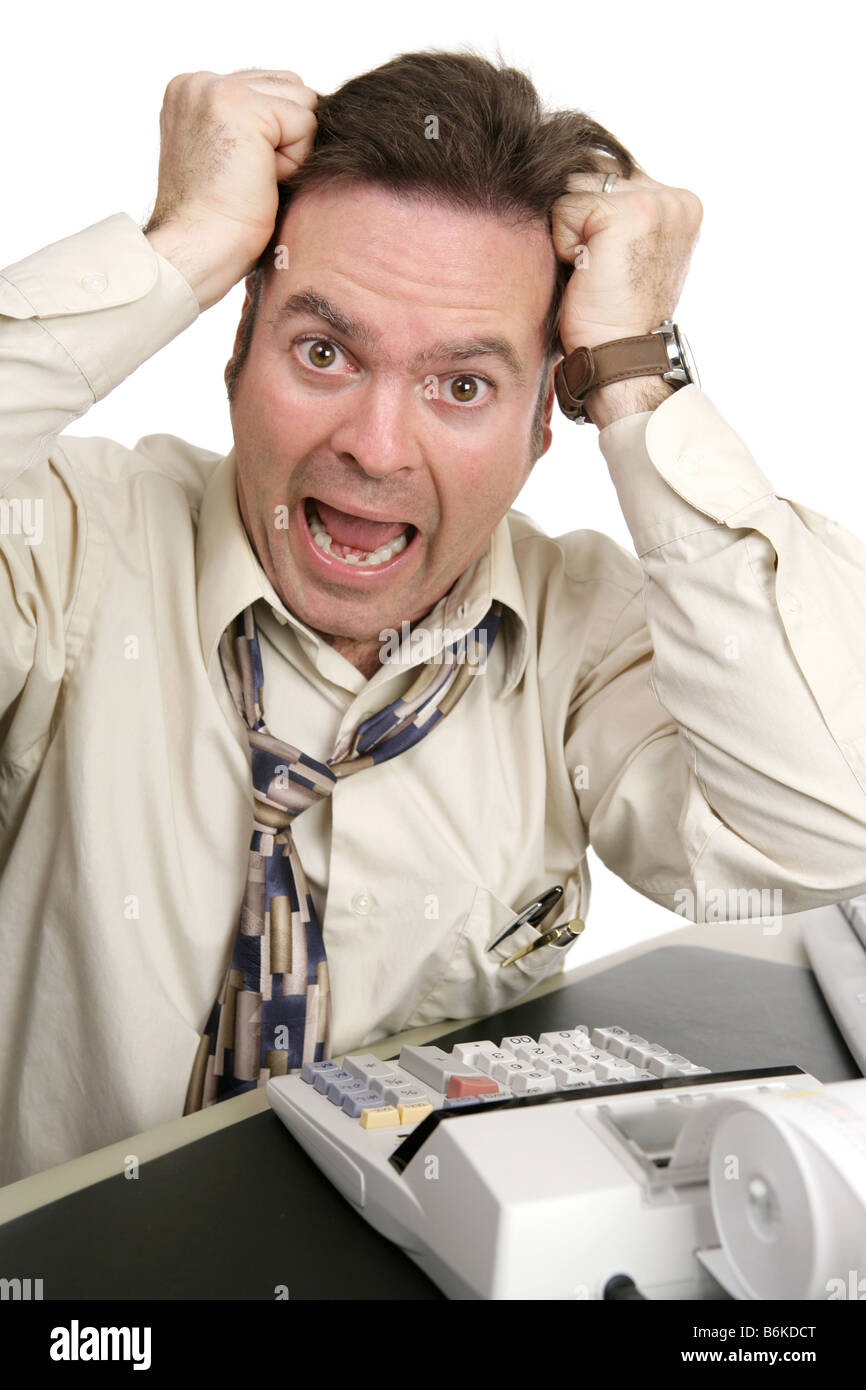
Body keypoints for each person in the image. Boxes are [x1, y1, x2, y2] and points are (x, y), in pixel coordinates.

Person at [2, 50, 866, 1185]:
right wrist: (181, 248)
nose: (373, 444)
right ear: (234, 350)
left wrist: (638, 376)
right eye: (322, 350)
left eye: (461, 384)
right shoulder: (65, 540)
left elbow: (826, 831)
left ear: (543, 425)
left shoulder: (586, 636)